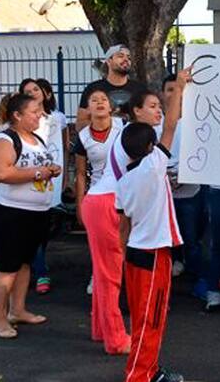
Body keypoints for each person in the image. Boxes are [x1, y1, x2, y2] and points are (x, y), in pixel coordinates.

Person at [116, 69, 190, 382]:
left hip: (135, 252)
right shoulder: (153, 165)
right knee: (151, 318)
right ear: (151, 147)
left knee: (146, 317)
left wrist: (123, 251)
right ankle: (139, 376)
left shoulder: (125, 180)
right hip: (153, 253)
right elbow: (171, 125)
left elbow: (124, 223)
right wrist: (180, 88)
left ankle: (150, 370)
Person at [0, 93, 62, 339]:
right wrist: (40, 173)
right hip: (10, 213)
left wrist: (50, 170)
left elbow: (36, 168)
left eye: (40, 110)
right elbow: (1, 173)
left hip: (36, 213)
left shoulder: (36, 139)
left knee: (25, 264)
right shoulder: (4, 141)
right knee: (6, 268)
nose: (40, 114)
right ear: (17, 115)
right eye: (34, 111)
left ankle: (17, 310)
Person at [73, 89, 127, 355]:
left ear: (111, 106)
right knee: (107, 273)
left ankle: (100, 328)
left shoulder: (123, 128)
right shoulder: (82, 138)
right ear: (87, 110)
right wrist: (80, 206)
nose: (99, 103)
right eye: (93, 100)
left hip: (121, 199)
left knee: (105, 269)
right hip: (101, 201)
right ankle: (115, 336)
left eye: (104, 99)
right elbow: (81, 174)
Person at [161, 75, 210, 300]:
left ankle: (200, 279)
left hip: (189, 193)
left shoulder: (195, 122)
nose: (173, 94)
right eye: (169, 90)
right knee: (164, 241)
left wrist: (183, 175)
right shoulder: (156, 123)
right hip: (163, 194)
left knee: (191, 239)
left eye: (176, 89)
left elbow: (202, 156)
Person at [19, 78, 68, 295]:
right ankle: (39, 270)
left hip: (54, 178)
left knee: (43, 228)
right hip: (30, 178)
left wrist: (66, 179)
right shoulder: (20, 120)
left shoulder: (57, 118)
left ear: (45, 93)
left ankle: (33, 264)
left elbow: (65, 148)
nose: (32, 93)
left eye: (35, 89)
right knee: (32, 228)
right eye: (26, 91)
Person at [76, 44, 148, 130]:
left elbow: (148, 121)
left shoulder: (140, 89)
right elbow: (80, 125)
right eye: (120, 56)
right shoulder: (93, 89)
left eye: (129, 58)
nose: (126, 60)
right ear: (109, 61)